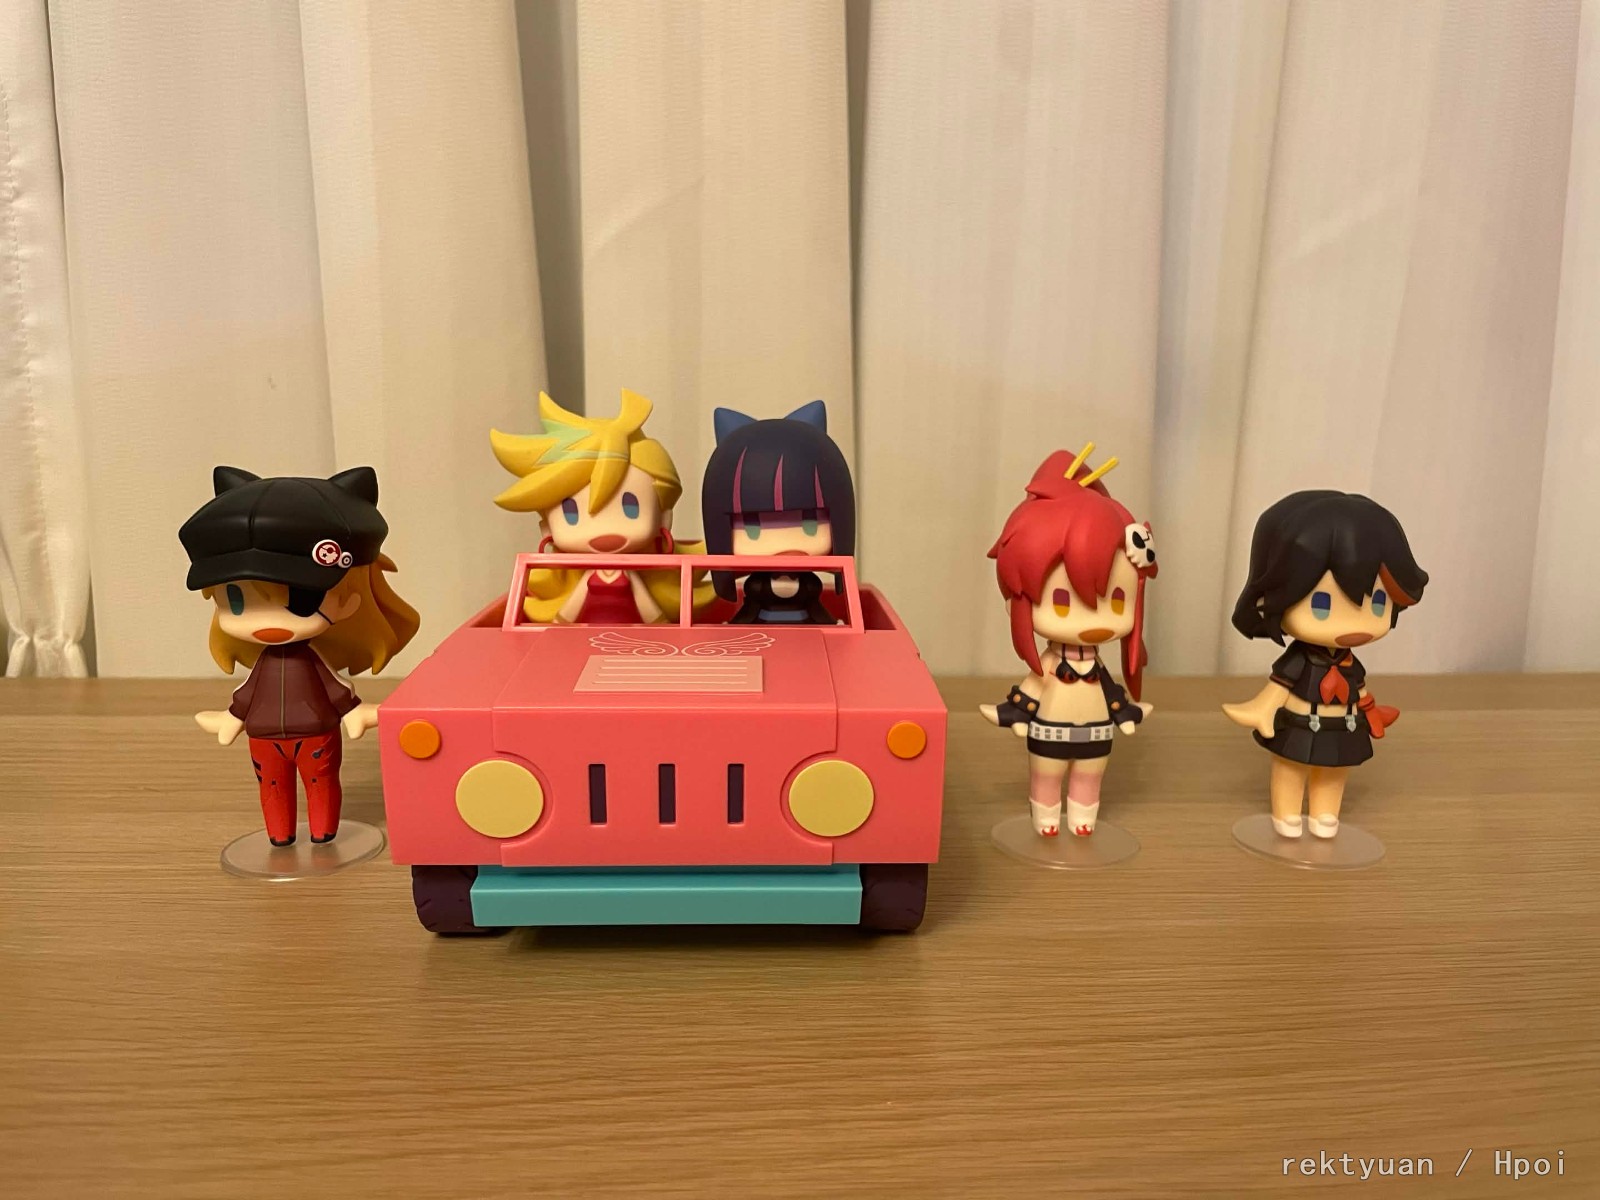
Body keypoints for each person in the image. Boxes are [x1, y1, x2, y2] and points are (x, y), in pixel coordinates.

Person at [179, 466, 419, 846]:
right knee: (271, 785)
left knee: (320, 781)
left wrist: (353, 711)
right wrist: (232, 717)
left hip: (316, 736)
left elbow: (334, 687)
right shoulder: (267, 663)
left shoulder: (311, 660)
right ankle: (280, 835)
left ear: (349, 599)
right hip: (264, 739)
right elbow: (248, 692)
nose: (266, 623)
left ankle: (324, 832)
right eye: (235, 599)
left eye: (303, 600)